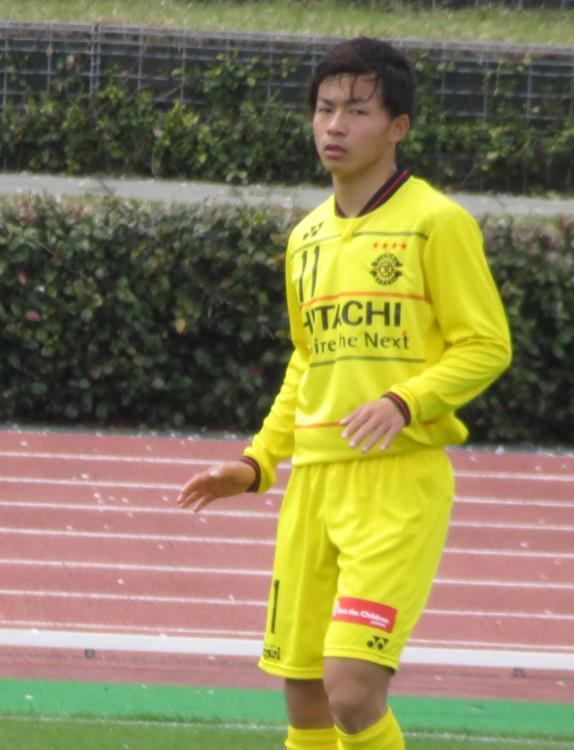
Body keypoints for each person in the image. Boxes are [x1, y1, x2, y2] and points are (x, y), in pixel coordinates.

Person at [177, 36, 511, 750]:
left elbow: (486, 345)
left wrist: (403, 401)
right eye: (324, 109)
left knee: (352, 691)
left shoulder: (437, 223)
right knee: (304, 694)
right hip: (313, 488)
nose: (335, 125)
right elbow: (307, 361)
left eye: (358, 111)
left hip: (396, 486)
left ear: (397, 127)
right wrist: (258, 462)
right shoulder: (306, 237)